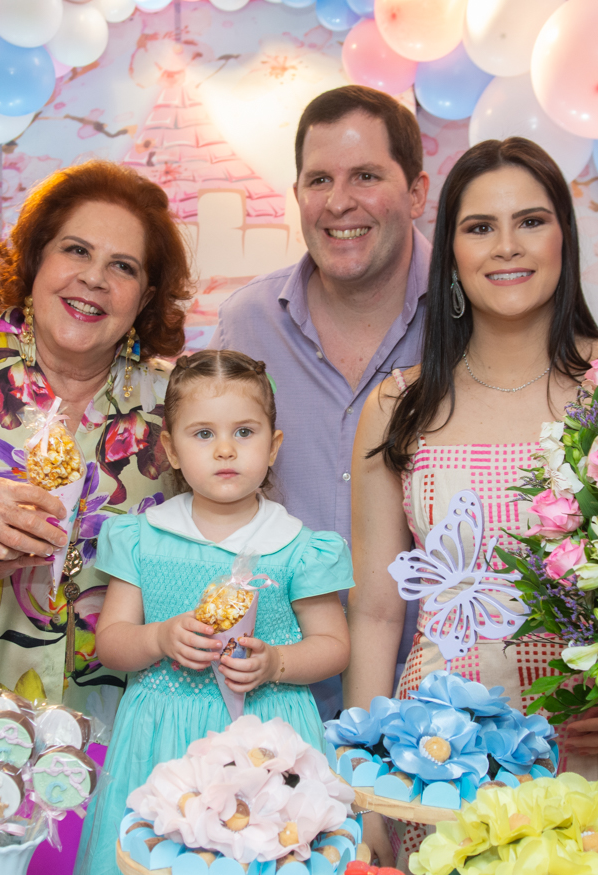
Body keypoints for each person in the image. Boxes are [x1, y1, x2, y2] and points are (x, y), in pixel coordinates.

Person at [346, 138, 598, 866]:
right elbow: (377, 613)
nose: (507, 246)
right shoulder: (398, 406)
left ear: (564, 236)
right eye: (480, 227)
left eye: (531, 221)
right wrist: (363, 793)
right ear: (449, 254)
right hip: (449, 750)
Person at [64, 350, 354, 875]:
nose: (225, 449)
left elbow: (334, 645)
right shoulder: (143, 538)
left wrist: (277, 661)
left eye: (244, 432)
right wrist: (158, 637)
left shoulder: (298, 546)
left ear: (273, 446)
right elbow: (111, 643)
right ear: (170, 448)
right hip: (161, 744)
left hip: (268, 745)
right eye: (203, 433)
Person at [0, 160, 195, 719]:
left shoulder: (181, 408)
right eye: (76, 250)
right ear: (36, 258)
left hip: (127, 728)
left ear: (145, 296)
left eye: (123, 266)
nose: (94, 279)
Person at [212, 85, 430, 721]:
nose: (338, 202)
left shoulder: (471, 315)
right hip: (270, 692)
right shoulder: (246, 324)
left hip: (443, 698)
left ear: (417, 192)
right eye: (319, 180)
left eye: (366, 176)